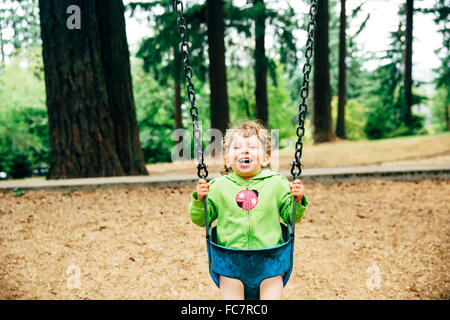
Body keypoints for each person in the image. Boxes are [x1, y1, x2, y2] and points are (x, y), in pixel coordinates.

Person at [189, 120, 308, 299]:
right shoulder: (217, 186)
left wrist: (297, 200)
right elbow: (201, 220)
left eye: (252, 146)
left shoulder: (277, 183)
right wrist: (200, 200)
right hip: (230, 263)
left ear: (266, 158)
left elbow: (291, 217)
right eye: (236, 147)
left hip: (270, 262)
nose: (245, 151)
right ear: (227, 159)